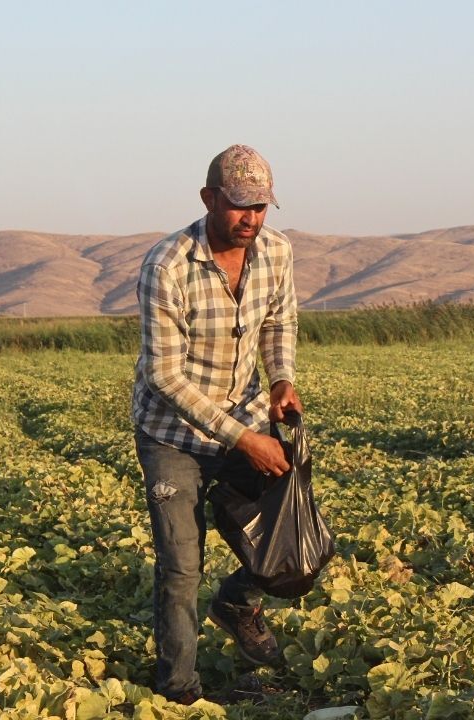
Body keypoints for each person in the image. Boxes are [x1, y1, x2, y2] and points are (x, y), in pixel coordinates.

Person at [132, 144, 302, 704]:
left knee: (290, 529)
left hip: (245, 416)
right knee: (181, 565)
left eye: (261, 207)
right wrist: (244, 440)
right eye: (239, 206)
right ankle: (179, 693)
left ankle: (236, 599)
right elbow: (164, 377)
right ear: (209, 199)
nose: (251, 219)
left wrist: (280, 380)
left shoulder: (276, 251)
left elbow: (278, 322)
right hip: (172, 434)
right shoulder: (168, 264)